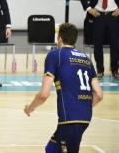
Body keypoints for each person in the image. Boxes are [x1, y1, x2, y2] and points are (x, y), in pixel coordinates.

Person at [24, 23, 103, 153]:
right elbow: (99, 94)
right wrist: (83, 106)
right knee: (51, 148)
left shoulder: (55, 55)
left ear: (59, 38)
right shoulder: (86, 59)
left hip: (69, 119)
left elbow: (44, 94)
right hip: (85, 117)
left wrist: (30, 107)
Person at [79, 0, 119, 79]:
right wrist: (89, 9)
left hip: (113, 17)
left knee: (116, 45)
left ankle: (115, 70)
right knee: (97, 45)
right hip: (98, 16)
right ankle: (100, 70)